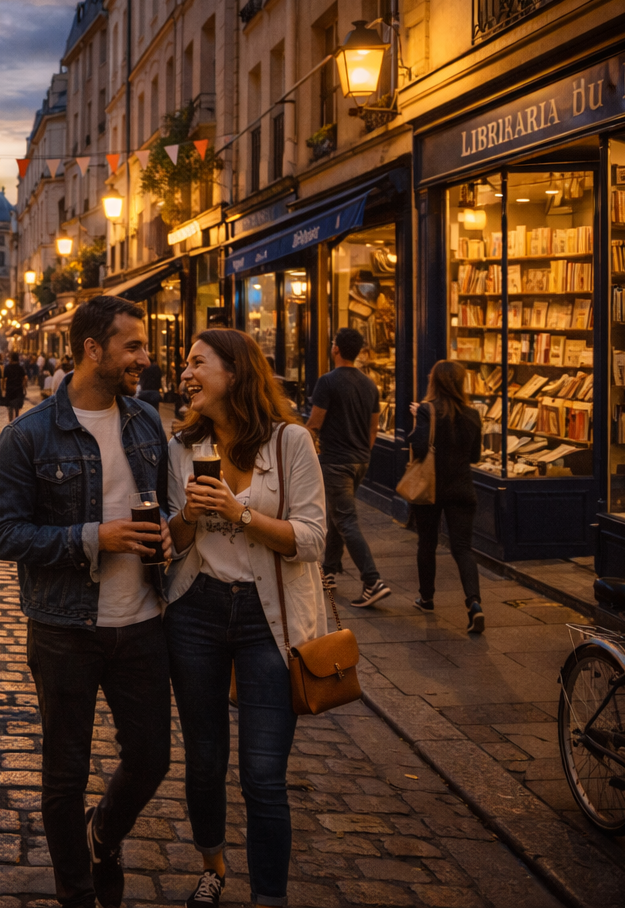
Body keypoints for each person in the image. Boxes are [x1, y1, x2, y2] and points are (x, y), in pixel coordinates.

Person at [0, 295, 170, 908]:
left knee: (151, 758)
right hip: (64, 627)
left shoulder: (146, 421)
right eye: (133, 346)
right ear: (93, 349)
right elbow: (3, 535)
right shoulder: (27, 435)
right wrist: (93, 537)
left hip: (142, 621)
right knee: (65, 774)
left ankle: (104, 833)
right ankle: (77, 893)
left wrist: (170, 531)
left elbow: (165, 505)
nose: (146, 356)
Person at [163, 328, 328, 908]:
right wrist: (187, 515)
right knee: (205, 760)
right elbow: (174, 543)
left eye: (197, 363)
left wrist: (240, 514)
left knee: (263, 772)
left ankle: (269, 897)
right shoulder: (182, 446)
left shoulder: (290, 442)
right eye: (186, 365)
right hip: (196, 611)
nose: (186, 374)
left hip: (267, 618)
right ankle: (212, 866)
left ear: (234, 372)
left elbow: (313, 539)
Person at [305, 327, 389, 608]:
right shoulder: (369, 385)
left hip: (336, 461)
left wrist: (302, 447)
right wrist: (363, 452)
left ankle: (372, 581)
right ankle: (328, 571)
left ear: (336, 349)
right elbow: (374, 428)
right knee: (337, 515)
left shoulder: (327, 381)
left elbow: (315, 424)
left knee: (345, 520)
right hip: (360, 460)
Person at [409, 360, 486, 634]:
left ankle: (426, 598)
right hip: (462, 488)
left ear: (434, 382)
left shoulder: (427, 410)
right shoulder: (473, 414)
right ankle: (474, 603)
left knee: (427, 543)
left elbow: (419, 448)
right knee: (463, 548)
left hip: (430, 488)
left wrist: (419, 420)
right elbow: (475, 456)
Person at [3, 351, 27, 422]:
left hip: (10, 389)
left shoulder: (7, 367)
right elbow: (25, 377)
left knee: (10, 407)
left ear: (11, 358)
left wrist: (3, 387)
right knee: (17, 408)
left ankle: (10, 422)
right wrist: (24, 385)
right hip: (18, 389)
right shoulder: (20, 367)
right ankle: (16, 421)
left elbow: (5, 378)